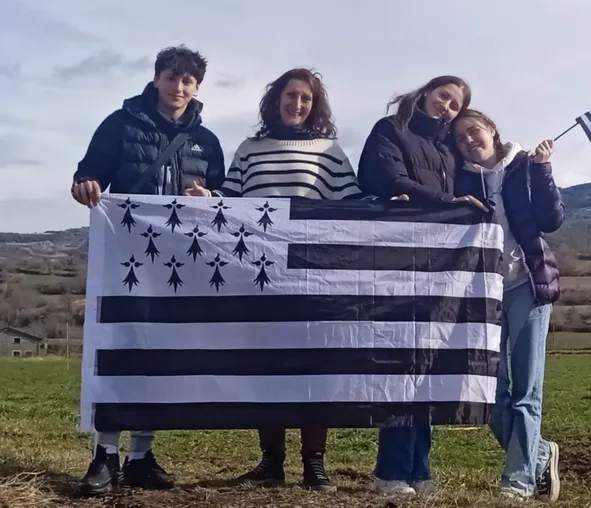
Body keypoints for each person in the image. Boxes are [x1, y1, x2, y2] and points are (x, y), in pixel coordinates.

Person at [185, 68, 362, 491]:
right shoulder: (250, 147)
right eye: (290, 95)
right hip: (260, 273)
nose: (297, 103)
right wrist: (209, 198)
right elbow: (232, 196)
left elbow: (353, 205)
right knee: (267, 366)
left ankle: (314, 463)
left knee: (313, 367)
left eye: (306, 97)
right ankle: (271, 462)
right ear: (275, 99)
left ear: (314, 104)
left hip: (313, 277)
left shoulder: (330, 151)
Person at [70, 45, 225, 496]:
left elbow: (224, 199)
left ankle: (141, 455)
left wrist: (210, 197)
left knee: (162, 353)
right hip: (126, 257)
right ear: (156, 79)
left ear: (197, 87)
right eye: (171, 77)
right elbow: (87, 176)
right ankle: (104, 454)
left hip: (181, 262)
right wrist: (86, 186)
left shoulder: (209, 141)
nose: (178, 87)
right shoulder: (119, 124)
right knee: (119, 347)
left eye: (187, 81)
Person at [356, 75, 481, 496]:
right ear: (427, 93)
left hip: (438, 266)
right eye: (443, 97)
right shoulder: (391, 129)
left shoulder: (450, 149)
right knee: (400, 365)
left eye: (454, 105)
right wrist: (448, 204)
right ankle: (389, 472)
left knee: (428, 366)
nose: (446, 107)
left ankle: (420, 469)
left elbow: (471, 190)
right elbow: (390, 181)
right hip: (396, 259)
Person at [451, 109, 565, 501]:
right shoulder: (460, 178)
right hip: (483, 293)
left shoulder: (523, 165)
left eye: (474, 131)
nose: (468, 140)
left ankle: (518, 482)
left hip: (529, 287)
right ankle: (539, 453)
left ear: (492, 130)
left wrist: (544, 169)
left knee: (526, 391)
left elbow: (551, 219)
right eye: (461, 137)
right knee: (492, 397)